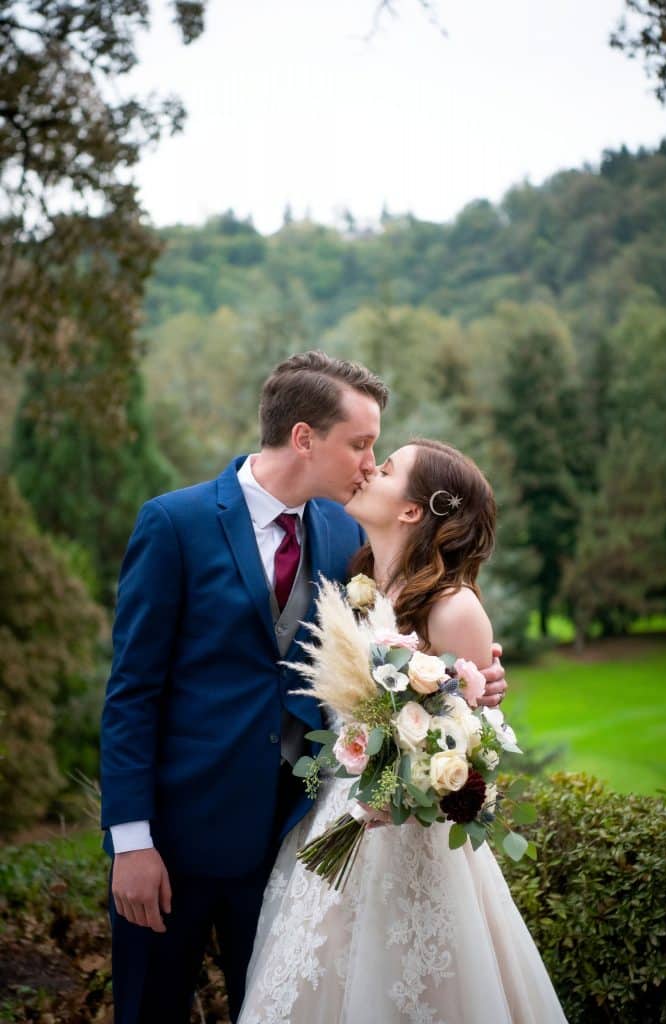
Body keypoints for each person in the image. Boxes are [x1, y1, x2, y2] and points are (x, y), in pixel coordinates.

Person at [100, 354, 508, 1024]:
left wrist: (469, 681)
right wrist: (132, 839)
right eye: (359, 443)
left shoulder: (348, 534)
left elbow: (400, 645)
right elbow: (131, 693)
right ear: (302, 438)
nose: (368, 462)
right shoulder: (174, 524)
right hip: (177, 839)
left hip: (295, 839)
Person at [238, 439, 567, 1024]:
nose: (369, 468)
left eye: (385, 467)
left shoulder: (454, 609)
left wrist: (416, 781)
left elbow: (476, 748)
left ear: (413, 510)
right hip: (332, 818)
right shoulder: (355, 582)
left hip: (408, 838)